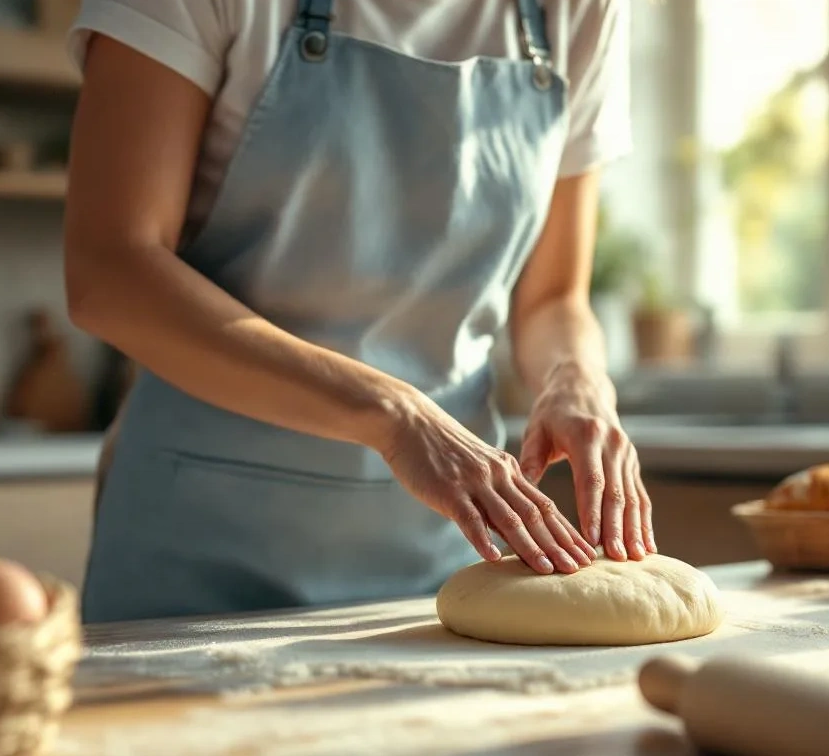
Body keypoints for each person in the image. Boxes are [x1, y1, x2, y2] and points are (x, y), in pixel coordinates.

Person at [63, 0, 655, 624]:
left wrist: (576, 379)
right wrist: (396, 415)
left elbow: (553, 298)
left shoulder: (580, 9)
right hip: (197, 551)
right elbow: (110, 270)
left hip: (443, 551)